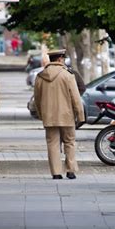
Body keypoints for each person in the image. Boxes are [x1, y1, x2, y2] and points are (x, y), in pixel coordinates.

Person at [34, 49, 85, 180]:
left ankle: (56, 173)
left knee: (52, 143)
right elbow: (76, 98)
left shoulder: (40, 76)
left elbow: (37, 99)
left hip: (49, 116)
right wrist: (80, 115)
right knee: (69, 142)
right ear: (61, 59)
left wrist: (41, 115)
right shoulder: (67, 75)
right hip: (67, 115)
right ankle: (71, 170)